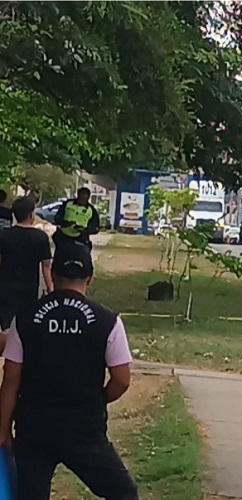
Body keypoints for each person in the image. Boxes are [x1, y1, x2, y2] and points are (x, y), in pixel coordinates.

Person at [0, 242, 138, 500]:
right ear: (90, 278)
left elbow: (10, 380)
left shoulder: (25, 318)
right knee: (123, 492)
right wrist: (98, 398)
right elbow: (121, 380)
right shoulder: (107, 320)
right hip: (84, 429)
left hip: (34, 430)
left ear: (53, 274)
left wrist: (3, 429)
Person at [0, 197, 53, 333]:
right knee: (26, 324)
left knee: (7, 327)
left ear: (14, 215)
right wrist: (50, 288)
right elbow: (46, 266)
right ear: (31, 215)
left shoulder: (3, 235)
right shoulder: (40, 237)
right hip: (29, 287)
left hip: (6, 287)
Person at [53, 187, 100, 252]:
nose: (82, 201)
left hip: (81, 238)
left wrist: (85, 231)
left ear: (88, 198)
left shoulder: (91, 210)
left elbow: (96, 228)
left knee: (84, 255)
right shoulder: (68, 204)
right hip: (63, 236)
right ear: (78, 195)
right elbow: (57, 218)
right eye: (80, 198)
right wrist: (66, 223)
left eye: (84, 199)